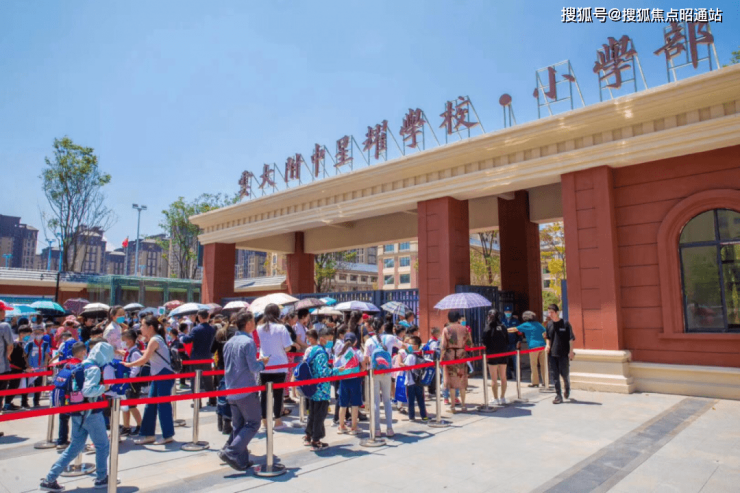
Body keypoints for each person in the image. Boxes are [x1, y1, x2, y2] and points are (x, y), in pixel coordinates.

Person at [39, 342, 115, 492]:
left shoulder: (82, 364)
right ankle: (101, 478)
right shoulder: (94, 369)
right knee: (102, 445)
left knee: (75, 446)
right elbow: (88, 391)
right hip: (91, 412)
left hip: (77, 411)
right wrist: (104, 388)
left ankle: (50, 478)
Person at [218, 310, 269, 471]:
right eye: (253, 321)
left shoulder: (229, 342)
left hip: (231, 389)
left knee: (238, 426)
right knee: (254, 422)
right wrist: (263, 363)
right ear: (248, 324)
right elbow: (254, 367)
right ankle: (231, 452)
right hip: (245, 389)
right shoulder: (248, 342)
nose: (255, 324)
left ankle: (242, 460)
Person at [123, 315, 175, 445]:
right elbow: (146, 353)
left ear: (150, 327)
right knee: (150, 405)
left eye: (142, 325)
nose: (140, 328)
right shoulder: (155, 339)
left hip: (163, 375)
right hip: (159, 374)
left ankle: (167, 435)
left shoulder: (155, 339)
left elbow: (144, 359)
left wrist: (129, 364)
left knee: (163, 406)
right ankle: (148, 434)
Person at [363, 319, 405, 437]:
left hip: (374, 372)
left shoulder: (369, 341)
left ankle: (377, 430)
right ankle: (389, 429)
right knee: (387, 400)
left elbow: (365, 359)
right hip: (387, 372)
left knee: (376, 401)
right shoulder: (390, 338)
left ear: (372, 328)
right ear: (382, 327)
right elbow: (403, 345)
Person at [257, 303, 293, 430]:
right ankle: (277, 421)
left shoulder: (259, 328)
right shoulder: (281, 328)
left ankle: (264, 421)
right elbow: (288, 347)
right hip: (280, 365)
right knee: (278, 395)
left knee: (264, 395)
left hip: (264, 365)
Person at [303, 328, 332, 450]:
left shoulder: (313, 350)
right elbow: (323, 373)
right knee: (320, 414)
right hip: (322, 389)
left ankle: (309, 435)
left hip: (313, 387)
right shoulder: (322, 353)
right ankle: (316, 440)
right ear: (322, 339)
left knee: (313, 413)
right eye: (329, 339)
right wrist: (336, 370)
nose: (330, 342)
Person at [182, 309, 216, 406]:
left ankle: (197, 402)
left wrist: (184, 336)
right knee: (208, 380)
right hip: (207, 357)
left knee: (195, 380)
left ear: (199, 317)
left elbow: (187, 340)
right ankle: (213, 400)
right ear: (208, 317)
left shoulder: (195, 329)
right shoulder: (212, 329)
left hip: (196, 357)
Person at [440, 311, 472, 413]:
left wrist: (441, 358)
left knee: (451, 382)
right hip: (461, 355)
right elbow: (470, 343)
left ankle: (453, 406)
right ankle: (463, 405)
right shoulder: (465, 329)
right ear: (458, 318)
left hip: (450, 356)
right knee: (462, 381)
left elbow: (443, 346)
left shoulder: (446, 329)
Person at [545, 304, 575, 404]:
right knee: (555, 376)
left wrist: (571, 351)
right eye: (549, 312)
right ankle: (558, 396)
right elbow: (548, 337)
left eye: (552, 312)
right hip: (552, 354)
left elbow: (571, 339)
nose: (550, 314)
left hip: (563, 354)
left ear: (557, 312)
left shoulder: (565, 324)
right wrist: (547, 345)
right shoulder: (549, 324)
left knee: (564, 374)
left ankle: (567, 387)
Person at [335, 332, 363, 435]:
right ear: (355, 342)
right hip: (355, 380)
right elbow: (363, 364)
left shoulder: (341, 353)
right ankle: (354, 427)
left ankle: (341, 426)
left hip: (343, 379)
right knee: (355, 404)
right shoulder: (357, 352)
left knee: (343, 404)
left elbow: (337, 365)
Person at [482, 309, 510, 406]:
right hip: (503, 354)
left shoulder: (488, 327)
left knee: (494, 378)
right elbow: (507, 340)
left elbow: (484, 341)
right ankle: (503, 397)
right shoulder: (503, 327)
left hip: (492, 354)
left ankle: (495, 398)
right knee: (503, 377)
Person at [120, 330, 143, 437]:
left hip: (132, 383)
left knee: (132, 406)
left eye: (123, 340)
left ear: (129, 340)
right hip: (127, 382)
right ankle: (126, 427)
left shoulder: (135, 353)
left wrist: (129, 378)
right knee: (126, 406)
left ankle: (140, 425)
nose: (122, 342)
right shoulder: (130, 351)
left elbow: (136, 368)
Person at [517, 310, 547, 387]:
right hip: (542, 346)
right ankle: (545, 382)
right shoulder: (538, 324)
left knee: (534, 365)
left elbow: (515, 329)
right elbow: (545, 332)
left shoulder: (525, 325)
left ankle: (535, 382)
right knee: (544, 365)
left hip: (533, 347)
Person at [3, 324, 30, 411]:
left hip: (20, 369)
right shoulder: (15, 344)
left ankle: (8, 402)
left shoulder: (22, 344)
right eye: (27, 335)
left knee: (16, 386)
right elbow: (12, 357)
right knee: (12, 386)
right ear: (21, 334)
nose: (28, 337)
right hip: (14, 369)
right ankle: (7, 404)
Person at [24, 324, 52, 407]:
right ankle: (24, 402)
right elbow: (24, 356)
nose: (38, 335)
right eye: (36, 333)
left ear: (43, 333)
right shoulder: (29, 344)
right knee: (27, 386)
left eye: (39, 333)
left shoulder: (45, 344)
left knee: (38, 386)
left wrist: (46, 364)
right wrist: (27, 366)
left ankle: (36, 401)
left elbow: (47, 355)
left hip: (40, 368)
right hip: (31, 368)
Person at [402, 336, 428, 421]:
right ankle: (424, 416)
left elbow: (406, 367)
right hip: (419, 381)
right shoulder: (421, 355)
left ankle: (412, 417)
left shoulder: (410, 356)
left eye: (410, 344)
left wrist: (401, 364)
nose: (408, 345)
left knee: (411, 401)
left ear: (416, 346)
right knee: (421, 400)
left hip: (410, 382)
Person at [0, 301, 14, 410]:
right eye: (3, 311)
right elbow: (10, 345)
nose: (5, 313)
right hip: (2, 368)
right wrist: (9, 356)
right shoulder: (4, 326)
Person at [501, 306, 520, 380]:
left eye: (509, 312)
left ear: (511, 312)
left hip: (513, 343)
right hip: (505, 344)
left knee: (515, 361)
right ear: (504, 312)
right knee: (506, 361)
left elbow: (519, 332)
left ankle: (517, 376)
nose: (508, 313)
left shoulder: (515, 321)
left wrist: (519, 341)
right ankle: (508, 375)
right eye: (506, 312)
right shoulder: (501, 320)